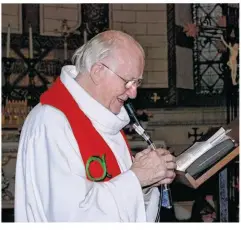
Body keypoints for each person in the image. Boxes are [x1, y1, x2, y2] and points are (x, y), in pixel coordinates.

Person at [14, 30, 176, 222]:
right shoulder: (52, 121)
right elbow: (69, 216)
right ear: (98, 71)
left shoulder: (105, 121)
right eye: (128, 82)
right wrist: (136, 178)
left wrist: (146, 183)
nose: (133, 94)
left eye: (137, 83)